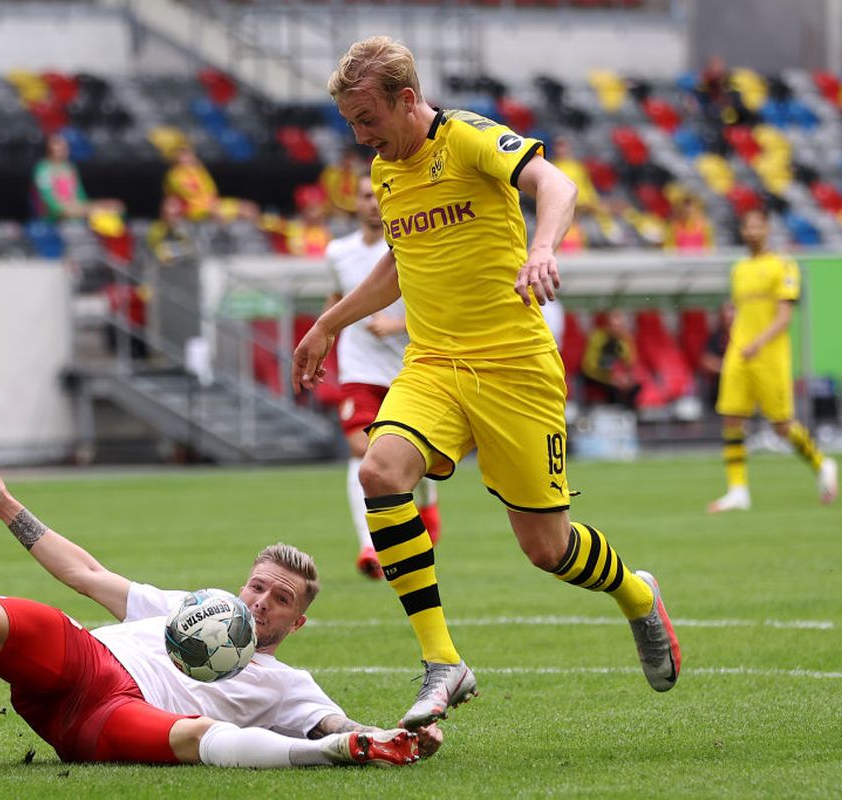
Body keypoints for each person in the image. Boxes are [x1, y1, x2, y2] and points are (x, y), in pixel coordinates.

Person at [291, 36, 681, 731]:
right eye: (350, 122)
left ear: (408, 100)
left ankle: (636, 595)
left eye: (367, 117)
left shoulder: (467, 136)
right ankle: (443, 661)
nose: (359, 136)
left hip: (513, 367)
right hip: (434, 364)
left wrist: (541, 247)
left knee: (547, 549)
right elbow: (397, 262)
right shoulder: (386, 171)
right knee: (380, 472)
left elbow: (558, 185)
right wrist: (330, 322)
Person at [0, 455, 432, 772]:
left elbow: (328, 717)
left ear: (297, 625)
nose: (260, 602)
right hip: (83, 662)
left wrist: (387, 731)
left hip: (116, 720)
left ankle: (346, 757)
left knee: (195, 739)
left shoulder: (286, 683)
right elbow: (86, 574)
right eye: (257, 587)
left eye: (280, 600)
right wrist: (6, 506)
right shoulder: (196, 608)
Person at [324, 174, 440, 579]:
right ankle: (370, 546)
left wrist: (397, 325)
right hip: (359, 368)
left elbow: (438, 304)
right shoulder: (338, 252)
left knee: (410, 457)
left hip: (411, 367)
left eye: (377, 196)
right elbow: (337, 299)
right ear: (353, 203)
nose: (372, 204)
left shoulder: (416, 241)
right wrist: (323, 336)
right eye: (363, 197)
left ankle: (426, 500)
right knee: (362, 450)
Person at [707, 208, 837, 512]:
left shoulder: (783, 266)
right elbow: (742, 312)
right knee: (731, 417)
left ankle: (822, 464)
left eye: (757, 226)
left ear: (767, 229)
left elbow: (784, 317)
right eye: (747, 227)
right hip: (740, 353)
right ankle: (738, 491)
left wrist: (757, 343)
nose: (752, 231)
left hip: (770, 355)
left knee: (781, 425)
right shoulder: (739, 269)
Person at [581, 308, 642, 409]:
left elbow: (630, 362)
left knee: (635, 387)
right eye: (613, 326)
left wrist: (626, 378)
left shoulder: (625, 340)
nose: (616, 329)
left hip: (616, 375)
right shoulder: (597, 338)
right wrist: (609, 378)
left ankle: (629, 414)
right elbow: (589, 366)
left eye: (619, 326)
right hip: (597, 375)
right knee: (613, 389)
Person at [699, 301, 733, 409]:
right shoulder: (716, 337)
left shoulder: (746, 337)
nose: (728, 317)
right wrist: (729, 368)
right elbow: (706, 361)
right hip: (719, 390)